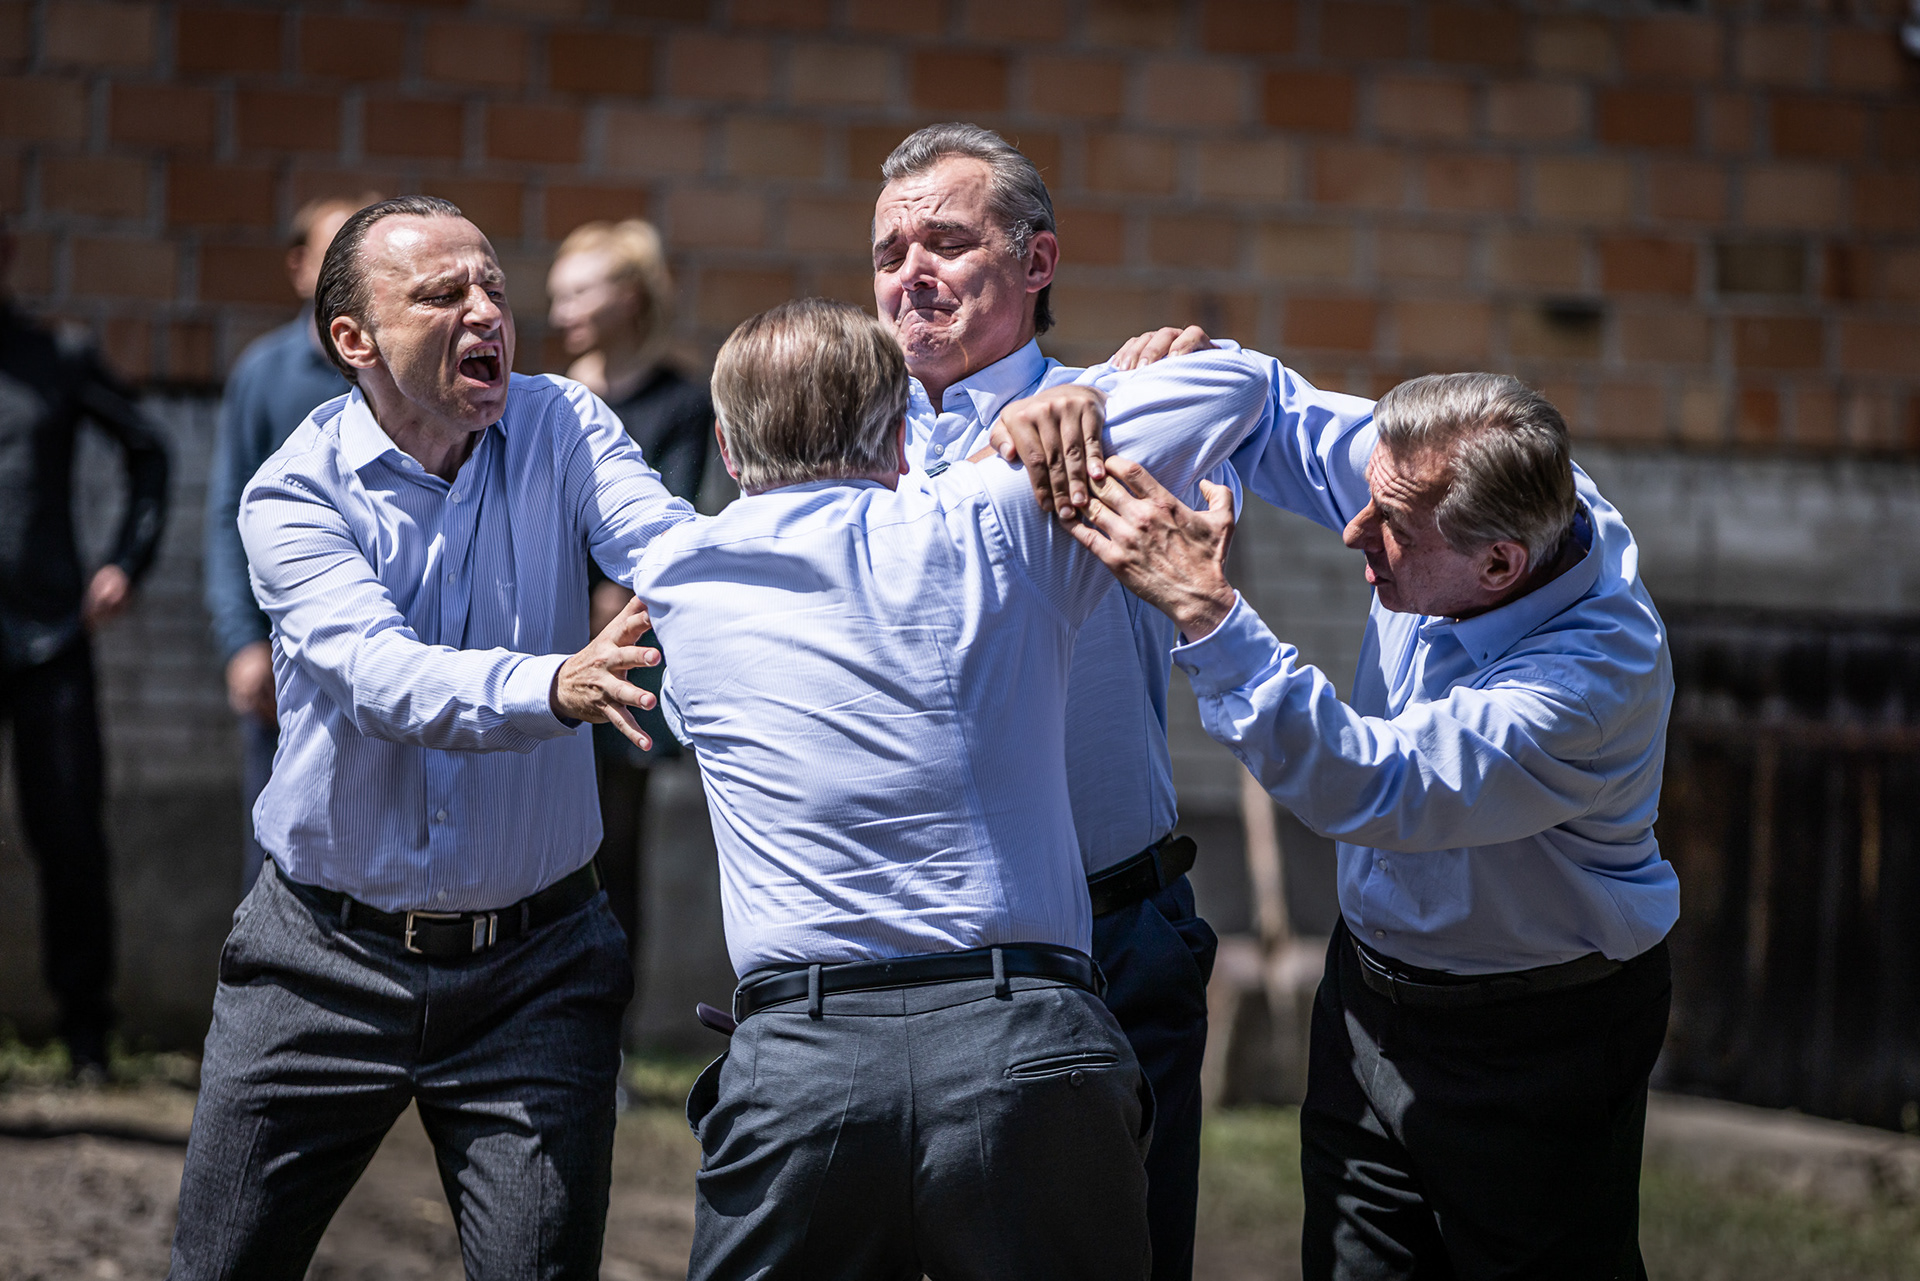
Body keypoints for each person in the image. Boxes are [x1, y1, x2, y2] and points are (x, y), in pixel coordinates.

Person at [632, 298, 1272, 1281]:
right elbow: (1234, 381)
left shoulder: (682, 578)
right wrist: (1085, 397)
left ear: (724, 445)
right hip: (1023, 1046)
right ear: (902, 438)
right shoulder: (989, 517)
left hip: (804, 1063)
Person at [1020, 367, 1678, 1280]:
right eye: (1371, 496)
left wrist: (1207, 610)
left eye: (1393, 527)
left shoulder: (1588, 683)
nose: (1354, 530)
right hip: (1367, 1003)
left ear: (1500, 566)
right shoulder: (1452, 483)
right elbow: (1273, 407)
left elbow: (1374, 782)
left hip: (1536, 1039)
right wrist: (1141, 379)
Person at [167, 195, 697, 1280]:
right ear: (354, 340)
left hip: (540, 968)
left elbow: (667, 548)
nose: (486, 311)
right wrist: (555, 683)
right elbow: (382, 676)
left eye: (493, 285)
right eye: (442, 294)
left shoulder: (563, 423)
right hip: (320, 962)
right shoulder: (293, 494)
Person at [870, 122, 1235, 1280]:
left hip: (1109, 939)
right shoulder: (837, 446)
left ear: (1038, 263)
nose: (911, 274)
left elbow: (1234, 435)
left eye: (945, 242)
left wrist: (1168, 381)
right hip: (897, 956)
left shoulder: (1132, 414)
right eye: (888, 253)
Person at [0, 232, 169, 1078]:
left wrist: (124, 563)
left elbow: (148, 449)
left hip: (48, 636)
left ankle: (87, 1034)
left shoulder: (57, 357)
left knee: (67, 832)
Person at [547, 217, 714, 962]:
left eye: (581, 292)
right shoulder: (548, 399)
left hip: (624, 645)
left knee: (613, 851)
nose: (563, 312)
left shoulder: (681, 401)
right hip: (539, 645)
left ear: (632, 296)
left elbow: (667, 515)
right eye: (559, 295)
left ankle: (609, 1011)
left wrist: (610, 603)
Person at [204, 192, 376, 895]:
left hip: (385, 650)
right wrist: (242, 642)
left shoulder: (400, 368)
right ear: (301, 267)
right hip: (287, 653)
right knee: (277, 850)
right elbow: (228, 509)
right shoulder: (266, 372)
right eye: (336, 253)